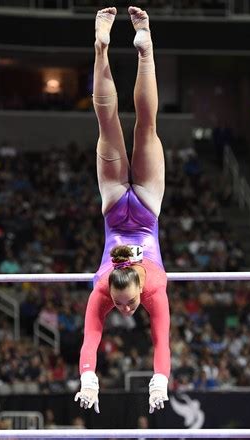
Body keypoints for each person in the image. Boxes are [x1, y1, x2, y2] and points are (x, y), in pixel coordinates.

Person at [74, 5, 170, 414]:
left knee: (114, 124)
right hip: (135, 207)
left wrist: (89, 378)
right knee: (140, 125)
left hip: (125, 205)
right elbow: (160, 339)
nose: (127, 309)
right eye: (127, 304)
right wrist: (159, 380)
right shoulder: (146, 288)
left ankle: (102, 49)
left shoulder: (106, 289)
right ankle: (142, 50)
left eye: (127, 304)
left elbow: (92, 338)